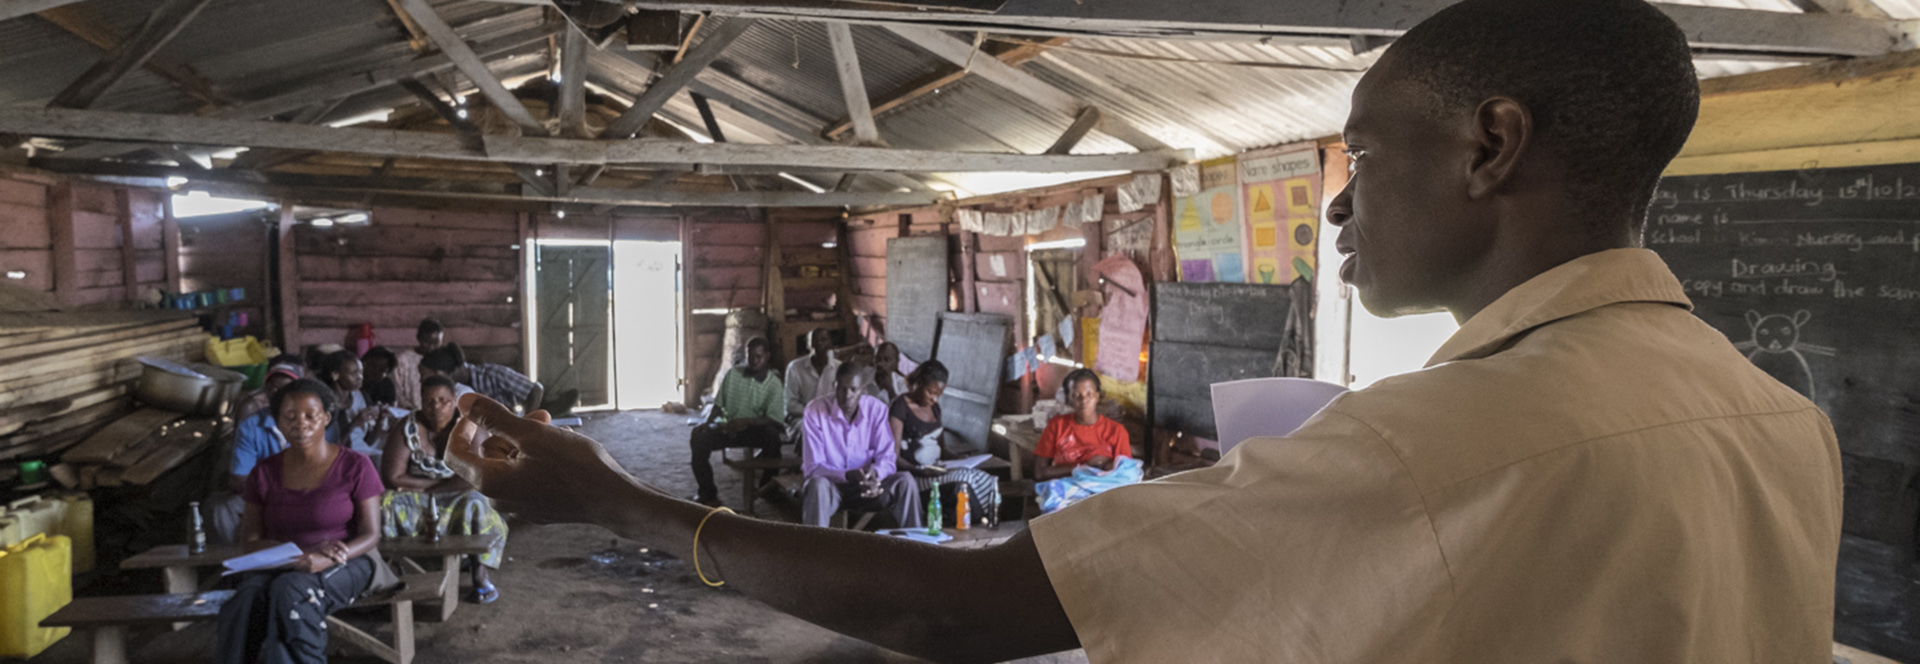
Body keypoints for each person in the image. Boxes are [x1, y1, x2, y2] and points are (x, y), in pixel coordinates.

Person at [437, 1, 1842, 661]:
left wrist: (610, 500)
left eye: (1362, 157)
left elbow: (957, 604)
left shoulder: (1435, 444)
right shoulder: (1788, 426)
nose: (1337, 211)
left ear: (1491, 145)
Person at [216, 378, 395, 664]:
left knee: (293, 591)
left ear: (326, 417)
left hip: (348, 559)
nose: (300, 423)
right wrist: (297, 556)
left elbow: (372, 535)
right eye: (289, 416)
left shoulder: (355, 465)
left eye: (310, 415)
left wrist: (330, 557)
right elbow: (249, 542)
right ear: (277, 422)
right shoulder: (264, 473)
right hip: (283, 561)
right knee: (247, 598)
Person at [379, 376, 508, 603]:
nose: (435, 407)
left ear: (454, 401)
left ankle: (479, 574)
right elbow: (392, 477)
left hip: (457, 496)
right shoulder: (407, 427)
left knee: (477, 500)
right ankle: (386, 570)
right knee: (385, 502)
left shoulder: (470, 427)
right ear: (420, 402)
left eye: (443, 401)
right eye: (429, 401)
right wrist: (435, 489)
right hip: (419, 499)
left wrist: (427, 488)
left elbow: (476, 476)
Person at [798, 362, 922, 529]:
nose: (847, 395)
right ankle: (816, 551)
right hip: (833, 489)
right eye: (841, 388)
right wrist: (847, 475)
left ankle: (917, 547)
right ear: (834, 386)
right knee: (816, 485)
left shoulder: (877, 410)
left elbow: (887, 457)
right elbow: (813, 467)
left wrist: (875, 474)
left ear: (863, 389)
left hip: (869, 488)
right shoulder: (815, 411)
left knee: (905, 481)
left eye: (853, 389)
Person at [888, 360, 996, 525]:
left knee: (986, 478)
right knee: (963, 482)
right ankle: (979, 524)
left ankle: (982, 523)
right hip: (915, 477)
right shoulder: (900, 407)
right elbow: (893, 456)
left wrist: (962, 460)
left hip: (936, 470)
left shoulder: (935, 409)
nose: (934, 398)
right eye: (930, 392)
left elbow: (943, 449)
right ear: (919, 383)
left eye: (938, 394)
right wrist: (918, 470)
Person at [207, 364, 303, 544]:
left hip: (303, 492)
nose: (280, 394)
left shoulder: (311, 423)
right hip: (263, 494)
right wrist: (273, 494)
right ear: (266, 392)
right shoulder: (251, 426)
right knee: (220, 508)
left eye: (287, 389)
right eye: (274, 389)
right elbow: (239, 479)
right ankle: (234, 563)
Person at [688, 337, 786, 507]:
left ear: (767, 356)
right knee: (698, 435)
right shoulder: (734, 375)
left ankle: (768, 486)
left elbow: (775, 419)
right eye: (750, 356)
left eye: (758, 356)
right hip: (729, 428)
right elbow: (718, 406)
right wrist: (710, 423)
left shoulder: (774, 384)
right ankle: (707, 492)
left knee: (773, 437)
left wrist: (748, 421)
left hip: (756, 430)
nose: (754, 361)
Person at [1032, 369, 1130, 481]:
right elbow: (1040, 472)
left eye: (1089, 394)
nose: (1084, 401)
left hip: (1102, 494)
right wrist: (1085, 467)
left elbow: (1125, 475)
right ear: (1069, 399)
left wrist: (1106, 466)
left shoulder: (1116, 431)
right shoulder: (1057, 425)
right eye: (1076, 395)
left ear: (1097, 397)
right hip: (1065, 493)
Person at [420, 342, 542, 413]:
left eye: (424, 375)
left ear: (440, 374)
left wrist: (529, 423)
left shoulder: (492, 374)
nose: (421, 380)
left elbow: (536, 389)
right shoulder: (451, 391)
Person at [316, 350, 394, 460]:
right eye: (354, 373)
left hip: (362, 455)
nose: (360, 378)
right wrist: (354, 424)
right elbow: (330, 447)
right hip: (338, 458)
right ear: (335, 375)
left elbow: (368, 441)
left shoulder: (361, 397)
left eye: (361, 373)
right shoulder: (324, 403)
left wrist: (380, 420)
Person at [393, 318, 444, 410]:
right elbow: (398, 390)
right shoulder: (404, 359)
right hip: (409, 411)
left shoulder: (443, 360)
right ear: (418, 338)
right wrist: (409, 408)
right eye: (427, 342)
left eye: (436, 343)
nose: (431, 347)